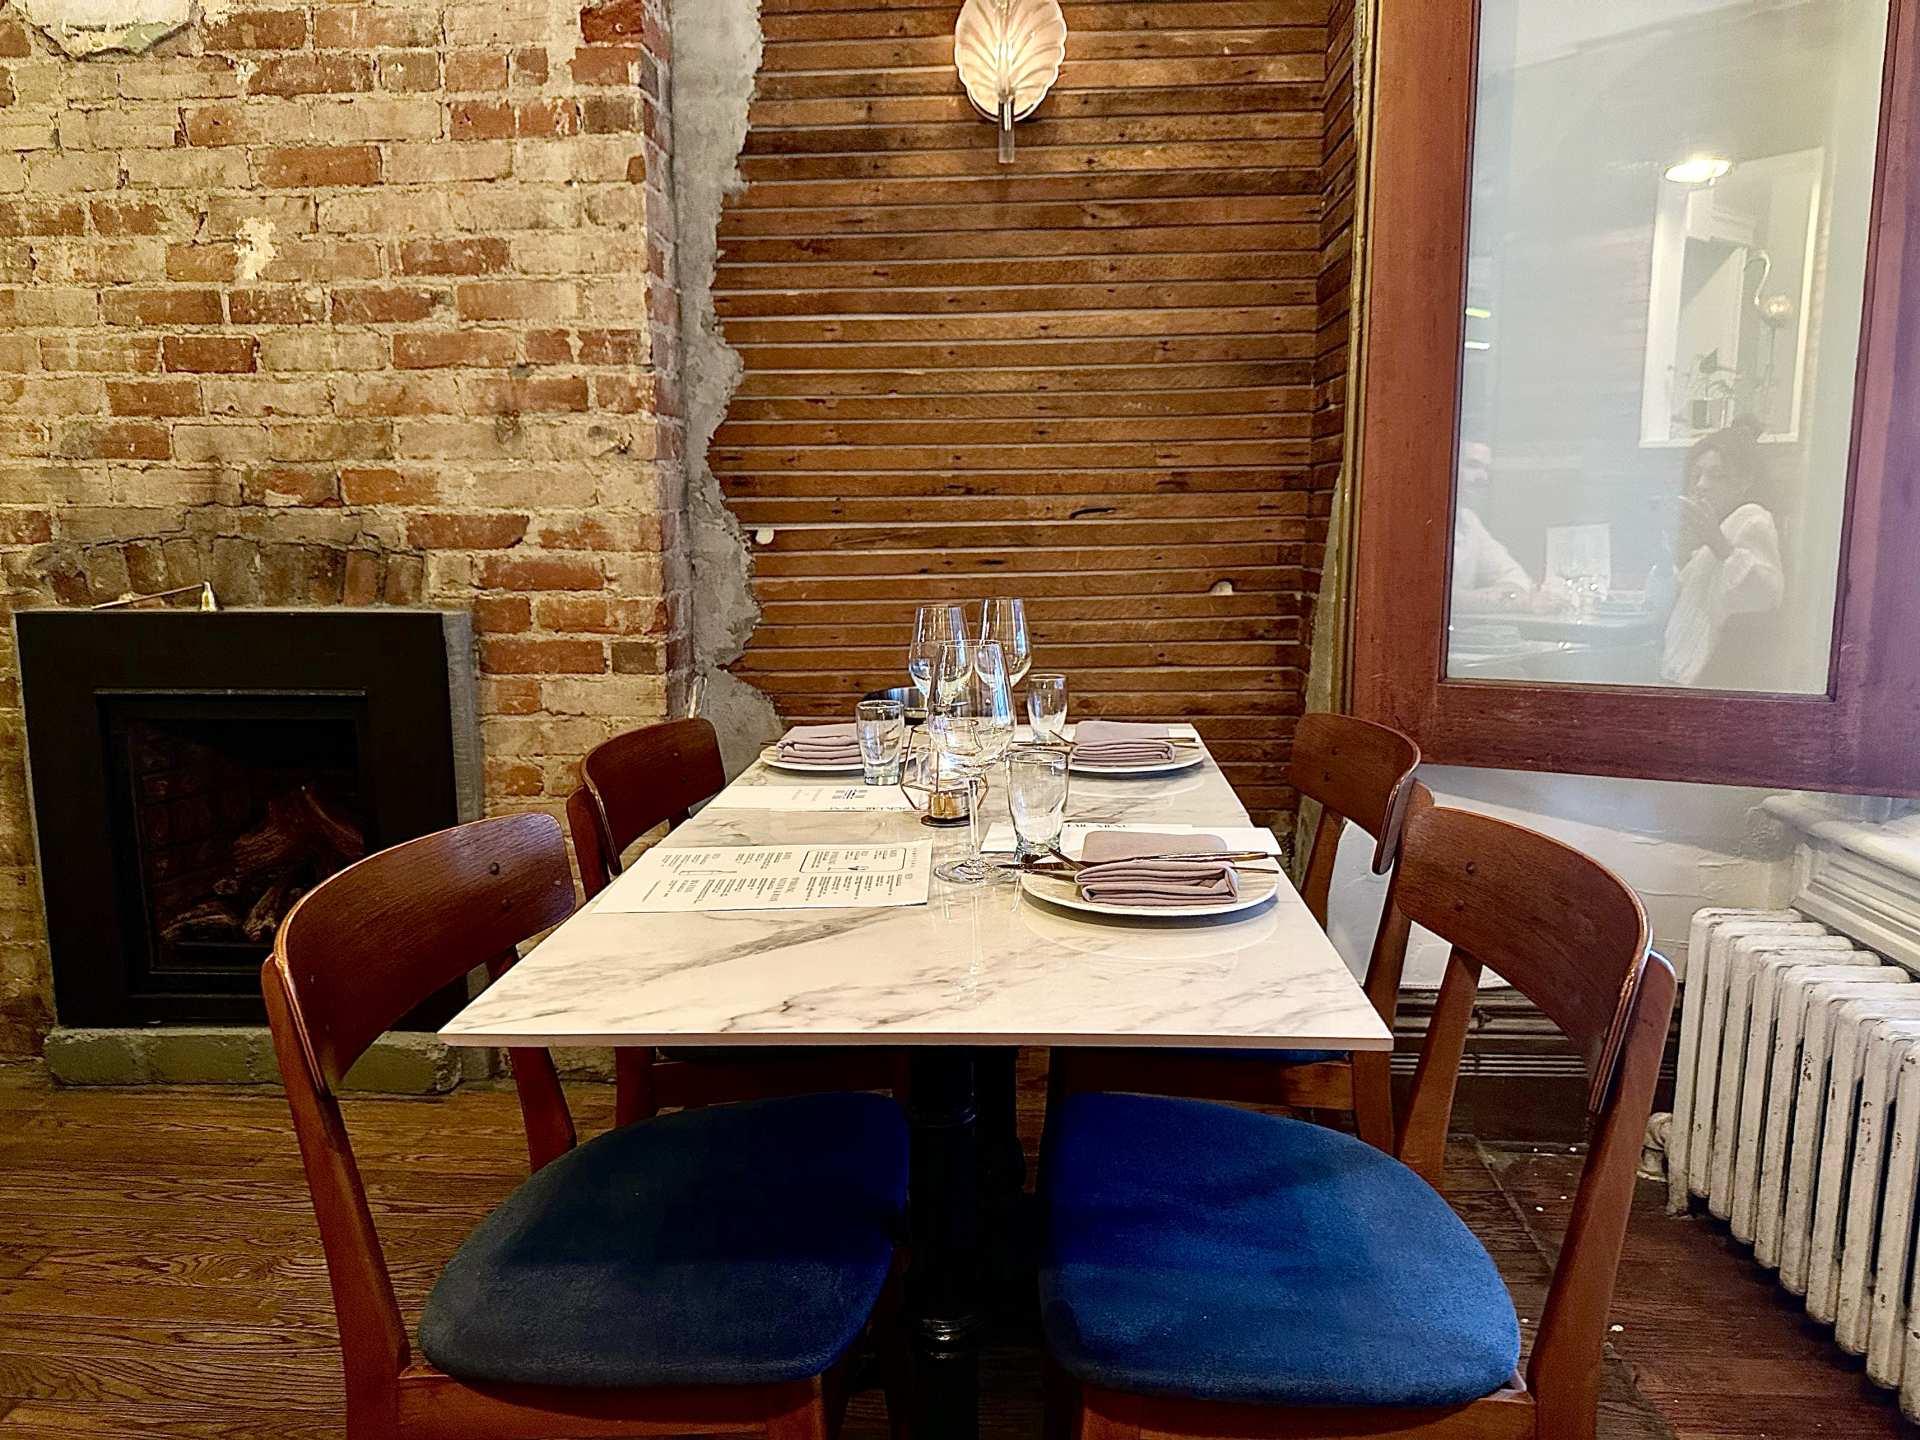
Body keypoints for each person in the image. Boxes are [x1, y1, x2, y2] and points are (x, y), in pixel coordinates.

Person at [1660, 418, 1785, 687]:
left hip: (1723, 670)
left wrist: (1716, 542)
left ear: (1745, 481)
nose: (1702, 485)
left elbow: (1765, 593)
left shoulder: (1753, 519)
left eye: (1717, 476)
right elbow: (1685, 592)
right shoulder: (1718, 525)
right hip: (1687, 669)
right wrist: (1679, 549)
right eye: (1696, 476)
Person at [1451, 440, 1537, 612]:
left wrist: (1507, 597)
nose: (1482, 477)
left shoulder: (1468, 521)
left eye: (1486, 469)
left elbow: (1515, 577)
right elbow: (1437, 598)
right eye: (1472, 465)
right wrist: (1505, 600)